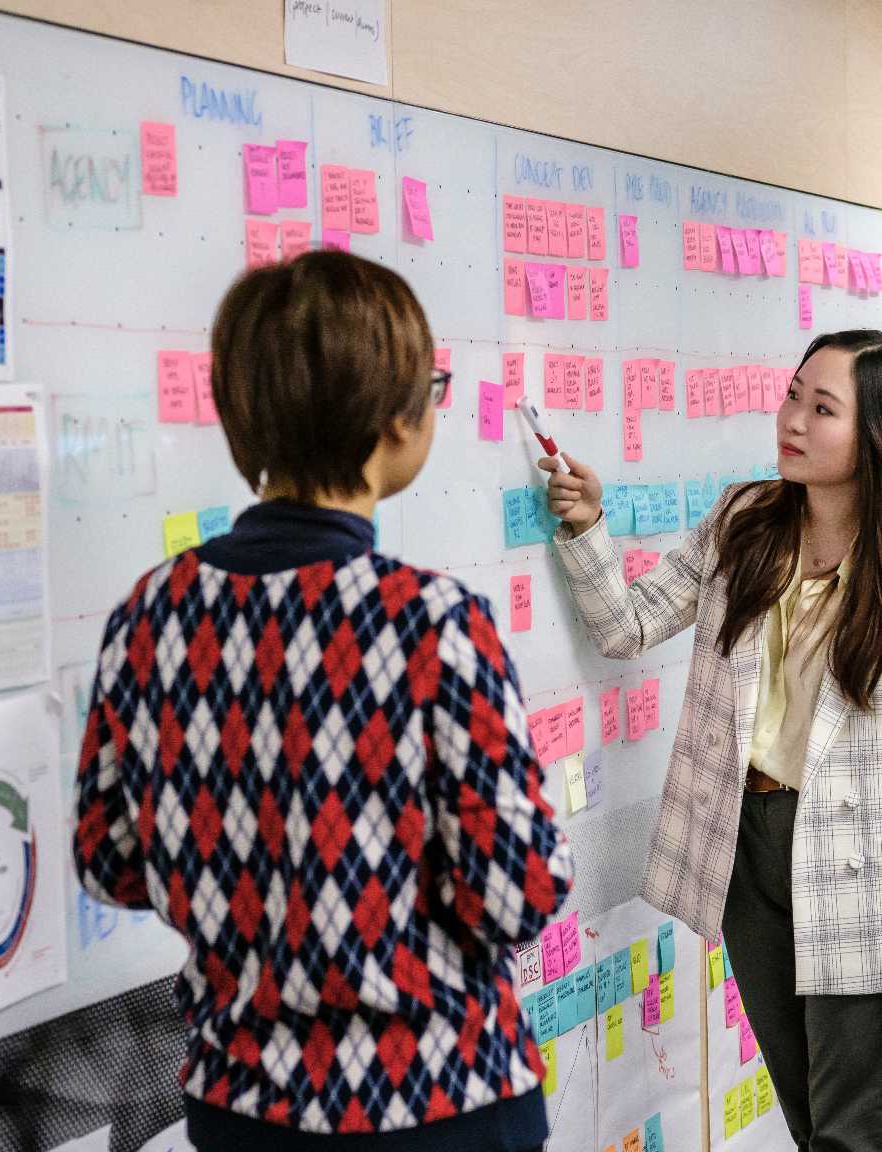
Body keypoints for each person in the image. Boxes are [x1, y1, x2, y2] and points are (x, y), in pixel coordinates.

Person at [72, 250, 573, 1152]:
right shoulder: (430, 624)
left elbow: (109, 858)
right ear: (394, 420)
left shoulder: (150, 615)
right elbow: (518, 891)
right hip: (436, 1103)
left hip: (240, 1104)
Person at [540, 329, 882, 1152]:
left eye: (823, 408)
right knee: (806, 1112)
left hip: (854, 862)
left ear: (880, 435)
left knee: (847, 1123)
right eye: (793, 394)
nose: (793, 419)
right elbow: (627, 627)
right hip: (743, 844)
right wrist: (589, 526)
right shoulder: (745, 522)